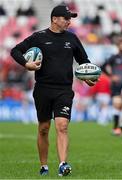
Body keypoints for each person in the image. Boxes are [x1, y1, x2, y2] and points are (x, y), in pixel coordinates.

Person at [11, 4, 97, 176]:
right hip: (42, 89)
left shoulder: (72, 39)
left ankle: (62, 164)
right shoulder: (39, 37)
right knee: (43, 128)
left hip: (64, 90)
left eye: (70, 19)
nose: (69, 22)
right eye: (66, 18)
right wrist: (26, 64)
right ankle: (44, 166)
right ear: (54, 19)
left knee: (62, 126)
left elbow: (84, 61)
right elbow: (15, 51)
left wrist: (88, 76)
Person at [101, 37, 122, 135]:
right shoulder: (114, 57)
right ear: (118, 45)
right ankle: (116, 127)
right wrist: (111, 76)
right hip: (116, 85)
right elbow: (103, 67)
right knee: (117, 105)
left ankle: (121, 128)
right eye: (121, 44)